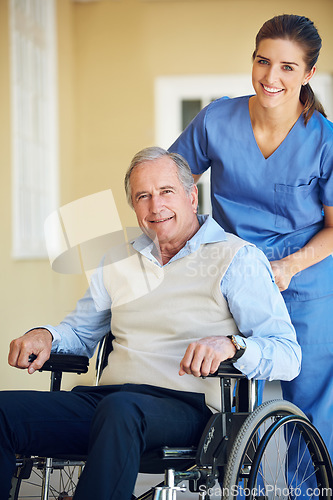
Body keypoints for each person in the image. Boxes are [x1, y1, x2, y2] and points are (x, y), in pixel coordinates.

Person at [1, 147, 300, 500]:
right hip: (106, 402)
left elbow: (287, 354)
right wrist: (45, 335)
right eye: (143, 196)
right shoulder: (116, 260)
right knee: (6, 411)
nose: (155, 206)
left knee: (121, 411)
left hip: (190, 410)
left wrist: (232, 345)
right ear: (134, 206)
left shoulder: (237, 258)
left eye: (166, 192)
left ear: (192, 196)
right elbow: (81, 332)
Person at [169, 14, 333, 460]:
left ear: (308, 74)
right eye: (263, 62)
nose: (271, 77)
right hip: (230, 275)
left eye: (287, 67)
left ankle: (309, 489)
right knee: (231, 403)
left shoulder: (324, 141)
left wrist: (289, 265)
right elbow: (171, 182)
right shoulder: (217, 119)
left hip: (305, 282)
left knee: (311, 408)